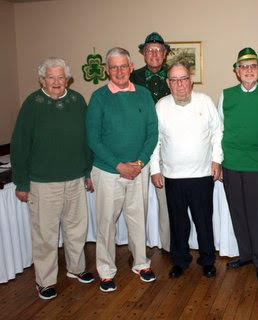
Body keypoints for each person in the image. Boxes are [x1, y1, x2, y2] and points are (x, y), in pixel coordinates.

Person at [11, 57, 94, 300]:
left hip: (75, 179)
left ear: (67, 78)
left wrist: (87, 171)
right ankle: (44, 281)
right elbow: (19, 144)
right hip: (42, 183)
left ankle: (76, 269)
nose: (56, 82)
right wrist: (22, 182)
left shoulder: (77, 100)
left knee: (77, 229)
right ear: (42, 80)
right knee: (45, 235)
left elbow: (86, 139)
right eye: (51, 77)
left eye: (61, 77)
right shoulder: (32, 103)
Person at [86, 47, 158, 292]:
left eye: (123, 66)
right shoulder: (98, 97)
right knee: (106, 223)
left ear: (130, 67)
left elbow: (152, 132)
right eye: (113, 67)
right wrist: (119, 165)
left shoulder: (144, 94)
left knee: (139, 218)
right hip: (108, 171)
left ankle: (141, 263)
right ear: (107, 70)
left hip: (139, 168)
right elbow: (93, 138)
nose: (118, 71)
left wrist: (138, 163)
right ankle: (106, 271)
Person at [150, 62, 223, 279]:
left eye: (183, 79)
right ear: (168, 83)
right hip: (173, 176)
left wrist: (217, 160)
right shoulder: (161, 106)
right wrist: (155, 169)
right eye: (174, 80)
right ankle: (180, 260)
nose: (180, 84)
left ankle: (208, 260)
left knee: (203, 221)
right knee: (178, 223)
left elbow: (217, 132)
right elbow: (155, 141)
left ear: (191, 81)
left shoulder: (205, 102)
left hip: (202, 175)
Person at [219, 48, 258, 280]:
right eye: (244, 67)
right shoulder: (226, 95)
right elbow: (219, 129)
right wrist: (219, 162)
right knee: (238, 212)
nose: (249, 70)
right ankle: (245, 255)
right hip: (231, 163)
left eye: (253, 66)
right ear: (236, 72)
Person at [130, 32, 171, 252]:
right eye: (149, 50)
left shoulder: (174, 75)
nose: (154, 54)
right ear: (143, 53)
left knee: (167, 202)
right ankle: (137, 251)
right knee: (136, 204)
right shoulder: (131, 78)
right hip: (139, 149)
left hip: (166, 149)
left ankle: (169, 246)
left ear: (165, 54)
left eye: (158, 50)